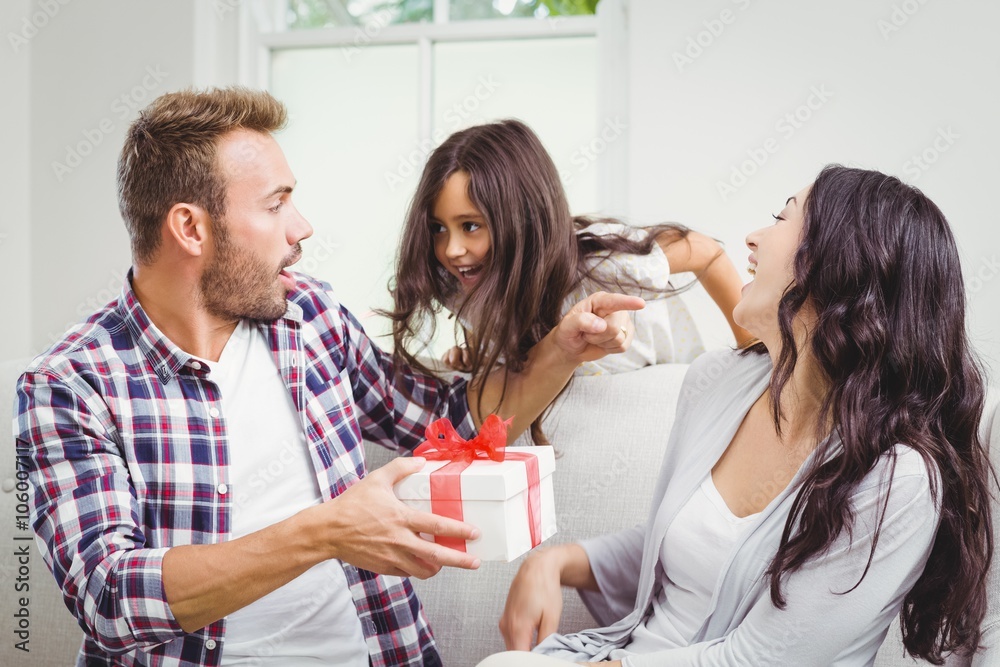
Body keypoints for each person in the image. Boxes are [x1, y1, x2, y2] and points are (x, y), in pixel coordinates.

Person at [13, 87, 644, 667]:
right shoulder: (70, 385)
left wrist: (561, 350)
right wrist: (327, 531)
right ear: (190, 228)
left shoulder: (307, 314)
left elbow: (448, 423)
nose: (302, 228)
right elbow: (111, 598)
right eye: (276, 204)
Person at [479, 165, 994, 666]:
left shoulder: (896, 479)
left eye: (781, 217)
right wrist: (558, 561)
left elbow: (766, 658)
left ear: (840, 262)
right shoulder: (717, 382)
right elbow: (689, 544)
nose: (752, 238)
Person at [384, 119, 751, 442]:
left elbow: (706, 252)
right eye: (438, 229)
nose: (452, 249)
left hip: (655, 366)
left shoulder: (604, 264)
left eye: (471, 226)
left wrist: (755, 352)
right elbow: (501, 317)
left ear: (522, 218)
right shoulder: (459, 284)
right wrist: (480, 351)